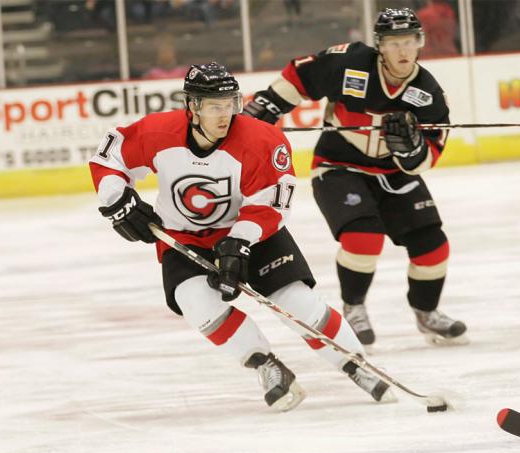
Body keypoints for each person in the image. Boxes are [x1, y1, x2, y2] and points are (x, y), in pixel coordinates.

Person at [89, 62, 396, 411]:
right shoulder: (157, 132)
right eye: (215, 106)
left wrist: (239, 241)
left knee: (294, 302)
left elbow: (271, 204)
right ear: (192, 106)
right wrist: (116, 199)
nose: (226, 115)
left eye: (231, 103)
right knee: (197, 304)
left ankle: (358, 364)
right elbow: (109, 158)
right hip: (184, 237)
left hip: (253, 235)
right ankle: (268, 366)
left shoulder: (261, 140)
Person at [242, 8, 468, 351]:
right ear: (380, 46)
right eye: (394, 44)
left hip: (393, 173)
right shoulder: (350, 62)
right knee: (363, 237)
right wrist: (268, 106)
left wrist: (410, 150)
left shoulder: (429, 92)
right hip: (338, 165)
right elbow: (300, 76)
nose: (403, 51)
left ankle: (427, 311)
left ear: (419, 43)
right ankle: (355, 306)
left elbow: (429, 156)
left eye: (409, 42)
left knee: (433, 245)